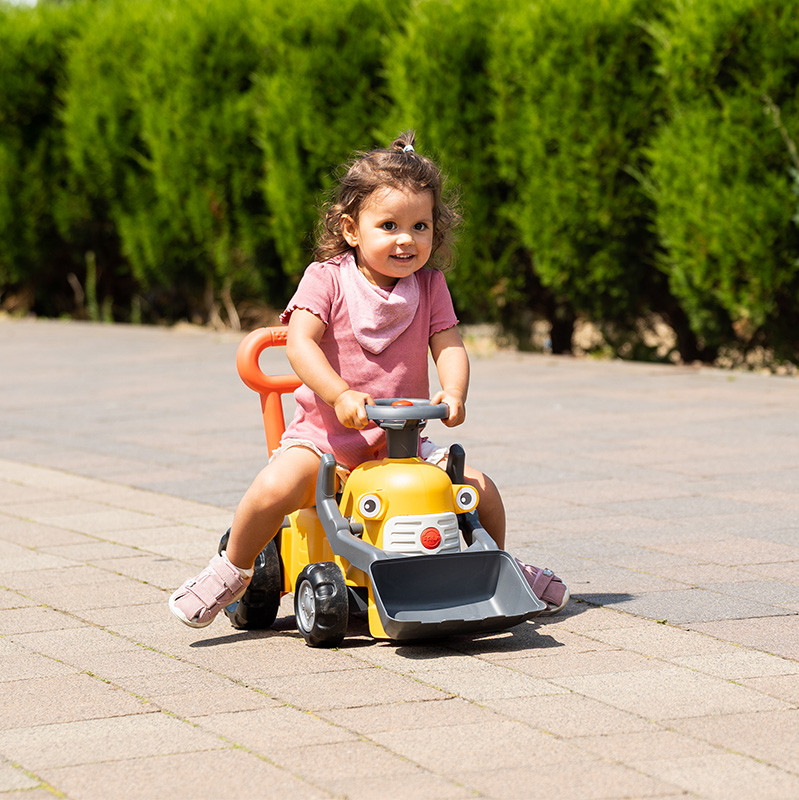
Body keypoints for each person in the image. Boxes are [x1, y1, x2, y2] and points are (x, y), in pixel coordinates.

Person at [169, 131, 568, 629]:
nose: (406, 239)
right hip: (327, 444)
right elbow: (300, 342)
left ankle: (494, 568)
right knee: (272, 489)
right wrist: (338, 394)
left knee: (480, 489)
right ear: (352, 229)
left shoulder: (430, 285)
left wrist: (454, 390)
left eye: (420, 226)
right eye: (389, 225)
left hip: (402, 445)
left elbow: (448, 343)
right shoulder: (327, 278)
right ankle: (234, 569)